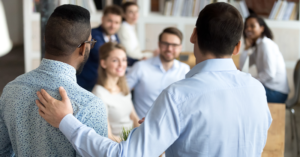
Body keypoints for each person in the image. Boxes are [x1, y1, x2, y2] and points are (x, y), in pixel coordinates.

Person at [36, 3, 272, 157]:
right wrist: (170, 131)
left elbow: (122, 155)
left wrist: (66, 120)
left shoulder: (179, 95)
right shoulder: (257, 90)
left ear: (193, 35)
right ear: (238, 46)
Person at [0, 5, 108, 156]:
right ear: (83, 48)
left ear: (45, 39)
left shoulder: (10, 90)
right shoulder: (90, 106)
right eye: (91, 43)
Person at [126, 27, 190, 119]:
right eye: (165, 44)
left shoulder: (185, 70)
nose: (169, 49)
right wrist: (134, 119)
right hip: (142, 126)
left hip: (173, 127)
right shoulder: (140, 67)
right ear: (159, 44)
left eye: (174, 45)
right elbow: (121, 93)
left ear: (180, 48)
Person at [92, 42, 139, 142]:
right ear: (103, 63)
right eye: (115, 60)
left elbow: (134, 118)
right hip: (118, 147)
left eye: (124, 60)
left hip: (132, 141)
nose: (121, 64)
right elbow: (108, 136)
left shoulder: (123, 87)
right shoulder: (99, 94)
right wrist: (132, 145)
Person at [239, 14, 289, 103]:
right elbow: (243, 66)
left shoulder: (266, 44)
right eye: (246, 27)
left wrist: (251, 80)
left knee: (242, 93)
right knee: (242, 91)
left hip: (277, 92)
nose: (248, 29)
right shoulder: (259, 46)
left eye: (252, 26)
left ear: (262, 28)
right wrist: (246, 47)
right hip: (270, 89)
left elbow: (270, 73)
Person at [77, 5, 123, 91]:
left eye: (117, 23)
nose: (113, 26)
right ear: (102, 19)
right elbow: (104, 54)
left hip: (102, 83)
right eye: (110, 21)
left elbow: (118, 55)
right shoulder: (93, 35)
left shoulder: (114, 36)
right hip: (87, 84)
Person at [118, 2, 156, 66]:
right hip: (131, 63)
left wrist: (152, 52)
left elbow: (137, 50)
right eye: (131, 12)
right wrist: (152, 54)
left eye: (136, 11)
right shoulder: (123, 29)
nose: (135, 15)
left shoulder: (130, 27)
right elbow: (129, 54)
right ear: (124, 14)